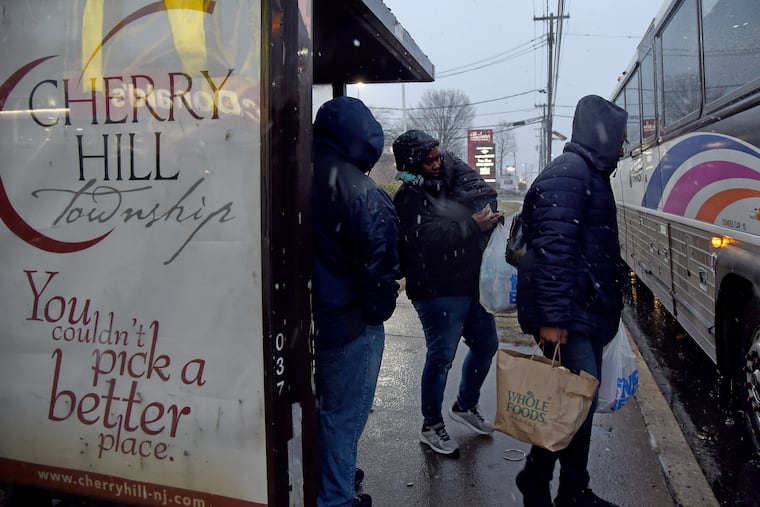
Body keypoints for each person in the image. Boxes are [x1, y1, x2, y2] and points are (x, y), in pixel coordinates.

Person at [514, 95, 629, 507]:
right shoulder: (571, 174)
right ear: (602, 134)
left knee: (567, 403)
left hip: (582, 310)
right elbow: (552, 255)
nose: (623, 146)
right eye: (620, 138)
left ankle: (540, 479)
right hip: (571, 315)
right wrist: (553, 320)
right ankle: (571, 491)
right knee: (576, 404)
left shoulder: (586, 173)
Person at [312, 96, 401, 507]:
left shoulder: (300, 176)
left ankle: (332, 483)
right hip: (351, 326)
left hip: (316, 321)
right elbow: (382, 267)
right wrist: (374, 313)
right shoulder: (363, 191)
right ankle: (337, 498)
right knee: (344, 420)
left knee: (327, 415)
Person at [392, 130, 501, 455]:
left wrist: (487, 220)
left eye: (439, 157)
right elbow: (423, 240)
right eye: (429, 160)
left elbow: (461, 219)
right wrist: (472, 225)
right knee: (441, 358)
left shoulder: (449, 186)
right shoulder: (408, 197)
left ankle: (465, 406)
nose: (438, 164)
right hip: (436, 292)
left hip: (470, 286)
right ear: (413, 163)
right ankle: (431, 425)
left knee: (486, 345)